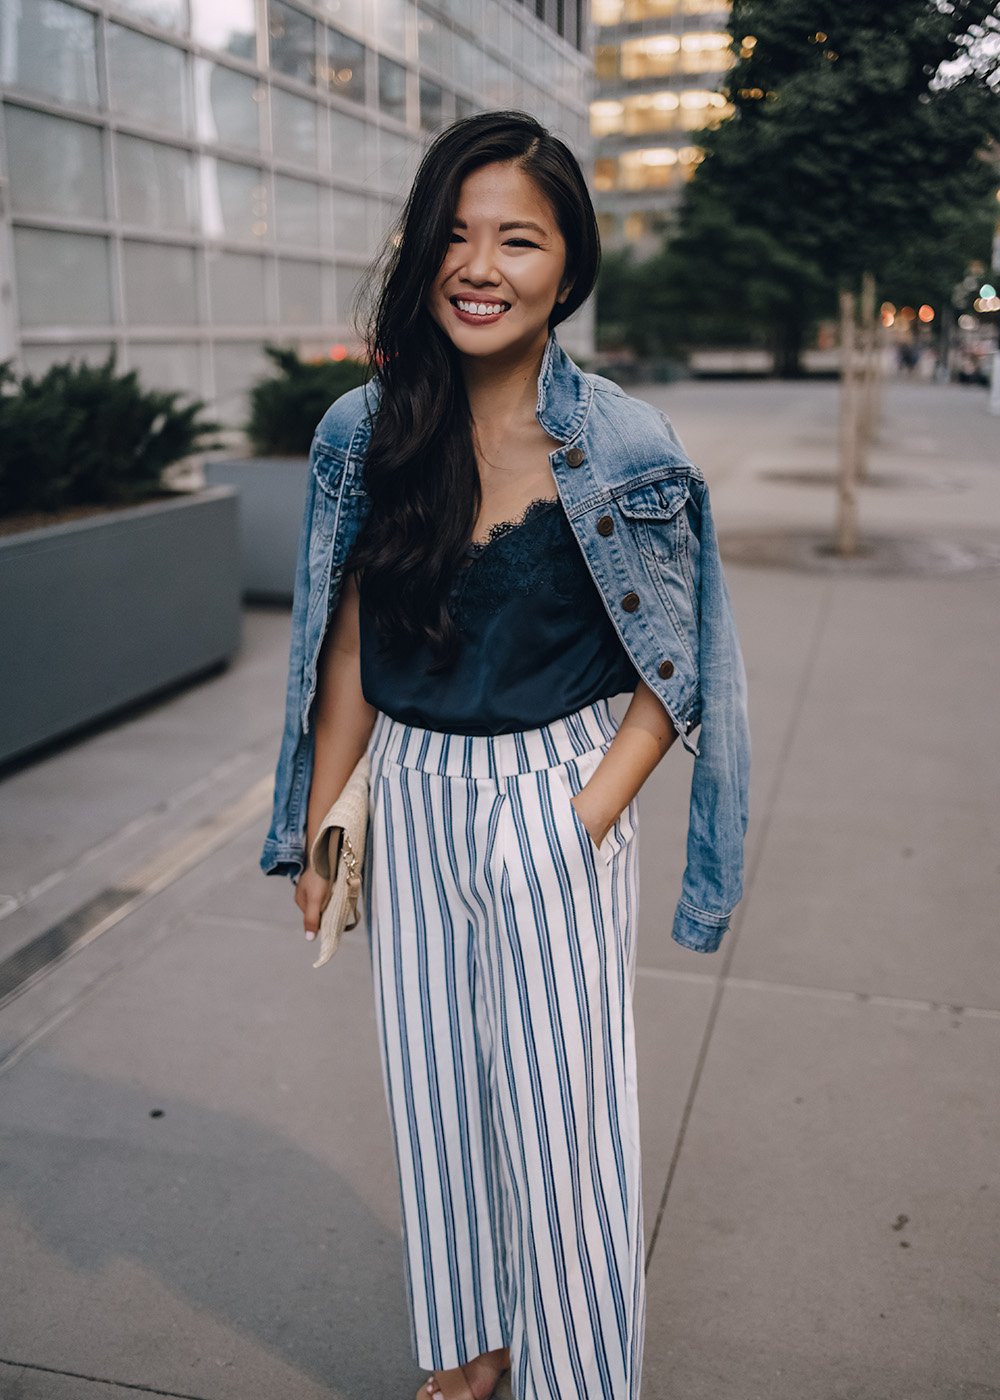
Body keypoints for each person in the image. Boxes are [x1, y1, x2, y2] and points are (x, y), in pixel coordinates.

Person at [262, 111, 750, 1400]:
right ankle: (474, 1349)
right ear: (425, 254)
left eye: (518, 239)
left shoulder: (628, 446)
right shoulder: (365, 434)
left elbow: (675, 673)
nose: (482, 266)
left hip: (555, 797)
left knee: (567, 1139)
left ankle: (579, 1380)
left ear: (566, 266)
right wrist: (319, 834)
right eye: (458, 236)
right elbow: (349, 658)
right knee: (436, 1107)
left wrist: (578, 821)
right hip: (412, 802)